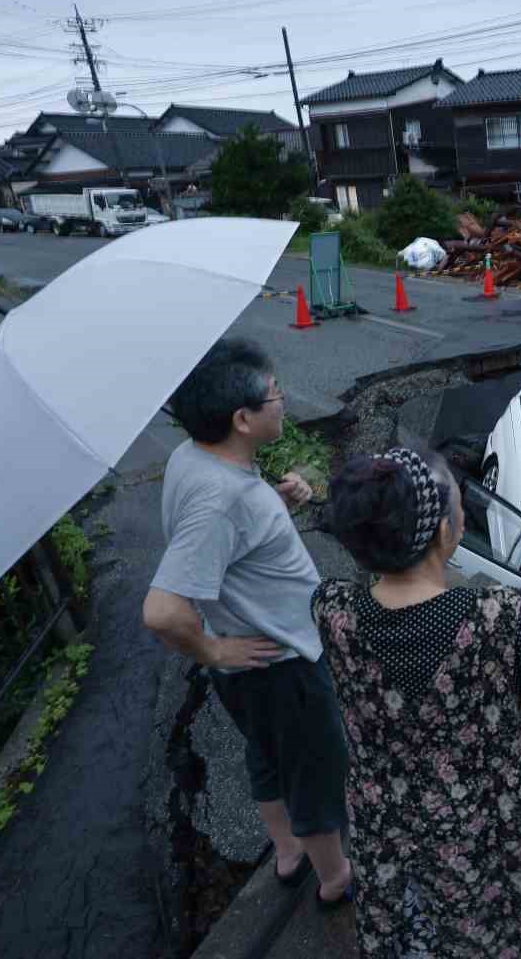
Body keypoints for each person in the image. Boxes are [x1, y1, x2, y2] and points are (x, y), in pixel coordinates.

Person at [313, 446, 521, 959]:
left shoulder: (332, 611)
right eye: (458, 506)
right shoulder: (494, 616)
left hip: (392, 816)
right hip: (499, 815)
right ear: (441, 533)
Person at [142, 338, 352, 906]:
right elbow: (161, 610)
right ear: (242, 418)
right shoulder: (225, 497)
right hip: (279, 662)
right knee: (313, 768)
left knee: (266, 754)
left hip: (249, 662)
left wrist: (278, 504)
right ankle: (334, 880)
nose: (283, 402)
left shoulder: (196, 456)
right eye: (275, 395)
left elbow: (224, 538)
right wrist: (213, 652)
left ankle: (287, 854)